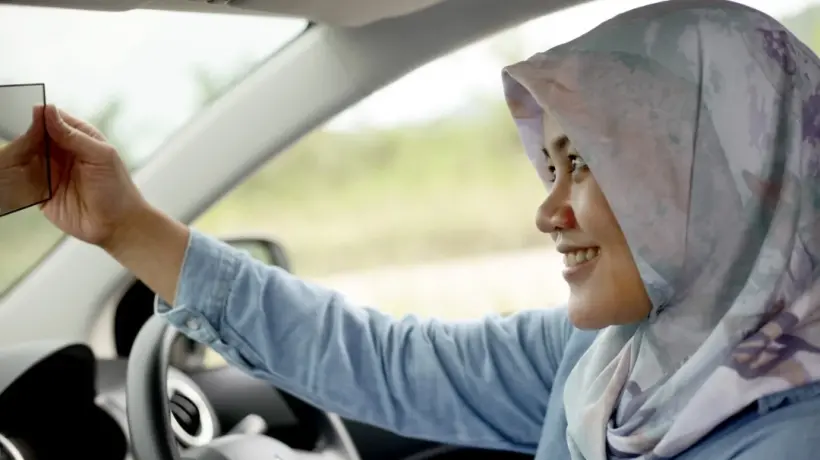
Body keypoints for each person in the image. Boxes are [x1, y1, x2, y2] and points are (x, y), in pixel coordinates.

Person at [29, 1, 820, 459]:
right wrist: (126, 227)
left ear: (729, 174)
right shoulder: (612, 358)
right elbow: (391, 361)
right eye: (550, 167)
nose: (548, 211)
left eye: (585, 163)